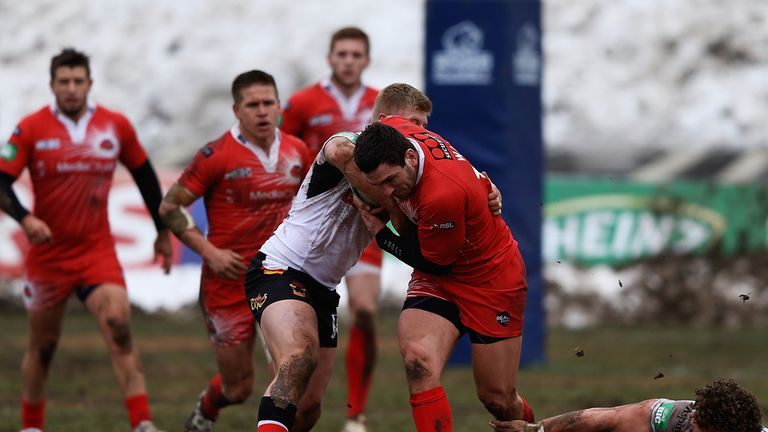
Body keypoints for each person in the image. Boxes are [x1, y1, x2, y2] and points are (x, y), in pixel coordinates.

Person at [243, 83, 502, 432]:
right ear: (383, 120)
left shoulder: (408, 178)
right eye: (410, 122)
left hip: (323, 288)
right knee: (298, 358)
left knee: (308, 410)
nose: (417, 133)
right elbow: (338, 150)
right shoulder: (352, 146)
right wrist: (380, 197)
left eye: (424, 126)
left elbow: (449, 194)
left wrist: (486, 192)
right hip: (280, 268)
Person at [0, 48, 171, 432]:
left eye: (79, 81)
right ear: (52, 85)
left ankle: (143, 423)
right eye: (65, 81)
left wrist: (161, 231)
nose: (72, 88)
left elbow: (144, 176)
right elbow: (1, 181)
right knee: (42, 347)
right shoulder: (30, 128)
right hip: (47, 257)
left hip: (97, 252)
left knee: (120, 329)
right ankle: (31, 426)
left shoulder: (115, 126)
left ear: (90, 84)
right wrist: (25, 219)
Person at [353, 93, 535, 431]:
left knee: (498, 399)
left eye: (392, 181)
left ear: (409, 157)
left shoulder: (440, 196)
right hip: (439, 276)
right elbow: (347, 146)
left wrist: (381, 233)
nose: (389, 192)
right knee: (417, 361)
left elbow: (435, 262)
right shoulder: (386, 132)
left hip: (490, 278)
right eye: (379, 186)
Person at [158, 70, 313, 432]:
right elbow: (171, 207)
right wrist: (209, 251)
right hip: (226, 283)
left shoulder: (297, 151)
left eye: (268, 103)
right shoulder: (216, 155)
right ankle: (207, 408)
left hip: (279, 278)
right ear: (236, 110)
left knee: (289, 374)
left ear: (279, 106)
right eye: (252, 104)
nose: (262, 111)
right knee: (238, 386)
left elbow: (315, 204)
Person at [280, 26, 381, 432]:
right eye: (342, 53)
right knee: (300, 327)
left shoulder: (379, 102)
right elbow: (281, 149)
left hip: (364, 227)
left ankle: (356, 413)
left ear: (366, 60)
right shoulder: (304, 102)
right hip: (318, 231)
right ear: (330, 58)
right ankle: (292, 401)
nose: (348, 61)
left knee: (367, 312)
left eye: (356, 54)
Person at [489, 378, 768, 432]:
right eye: (695, 420)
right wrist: (535, 430)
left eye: (701, 428)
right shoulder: (670, 420)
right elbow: (605, 418)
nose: (693, 425)